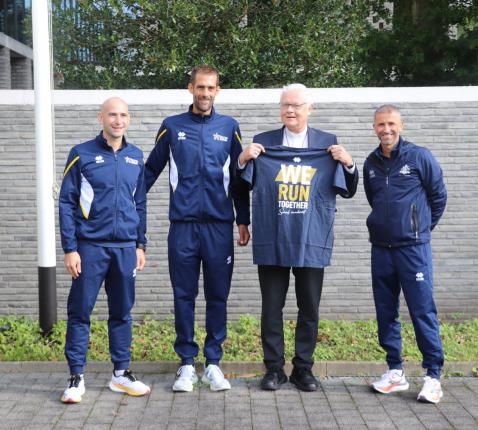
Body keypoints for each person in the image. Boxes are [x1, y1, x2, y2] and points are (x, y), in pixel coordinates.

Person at [238, 84, 358, 392]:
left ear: (310, 108)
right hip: (272, 236)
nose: (290, 110)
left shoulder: (327, 144)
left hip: (311, 238)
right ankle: (274, 369)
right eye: (285, 105)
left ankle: (303, 369)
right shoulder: (262, 143)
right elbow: (241, 186)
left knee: (309, 307)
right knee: (271, 307)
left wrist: (348, 163)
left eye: (296, 105)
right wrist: (242, 161)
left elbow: (348, 189)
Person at [145, 65, 250, 392]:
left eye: (211, 88)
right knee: (184, 295)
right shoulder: (172, 127)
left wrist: (243, 219)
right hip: (184, 227)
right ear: (190, 88)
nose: (205, 93)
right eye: (200, 87)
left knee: (218, 296)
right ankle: (187, 364)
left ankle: (214, 363)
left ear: (217, 91)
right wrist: (123, 203)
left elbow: (238, 178)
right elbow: (150, 171)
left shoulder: (229, 127)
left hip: (219, 227)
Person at [58, 97, 150, 403]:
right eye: (112, 114)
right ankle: (76, 377)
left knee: (122, 313)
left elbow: (140, 203)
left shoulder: (136, 156)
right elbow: (67, 202)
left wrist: (140, 243)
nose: (118, 120)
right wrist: (70, 249)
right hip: (90, 247)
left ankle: (121, 374)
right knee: (80, 312)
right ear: (101, 118)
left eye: (123, 114)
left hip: (125, 248)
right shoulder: (81, 154)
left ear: (129, 119)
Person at [364, 104, 447, 404]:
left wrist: (419, 229)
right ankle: (395, 372)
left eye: (391, 124)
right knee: (386, 312)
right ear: (374, 127)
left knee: (422, 310)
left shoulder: (419, 157)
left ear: (401, 125)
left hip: (413, 250)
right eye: (380, 125)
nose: (386, 130)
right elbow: (374, 199)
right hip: (381, 250)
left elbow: (439, 197)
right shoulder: (371, 163)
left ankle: (433, 376)